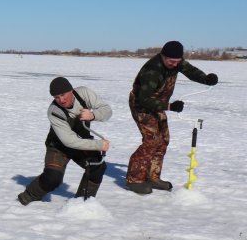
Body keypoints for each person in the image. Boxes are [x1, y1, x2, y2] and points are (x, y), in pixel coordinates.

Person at [125, 41, 218, 194]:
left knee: (163, 140)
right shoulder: (152, 70)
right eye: (171, 61)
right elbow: (144, 99)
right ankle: (134, 180)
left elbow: (190, 71)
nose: (175, 65)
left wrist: (206, 79)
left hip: (159, 104)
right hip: (141, 105)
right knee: (151, 140)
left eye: (177, 61)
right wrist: (170, 107)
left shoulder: (177, 62)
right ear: (163, 55)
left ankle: (152, 176)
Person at [17, 77, 112, 205]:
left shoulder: (83, 93)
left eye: (63, 94)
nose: (61, 100)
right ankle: (30, 194)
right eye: (56, 97)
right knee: (53, 178)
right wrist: (98, 145)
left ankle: (83, 203)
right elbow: (69, 141)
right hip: (58, 146)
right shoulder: (54, 111)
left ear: (71, 90)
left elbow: (107, 110)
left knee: (97, 166)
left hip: (81, 142)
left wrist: (93, 115)